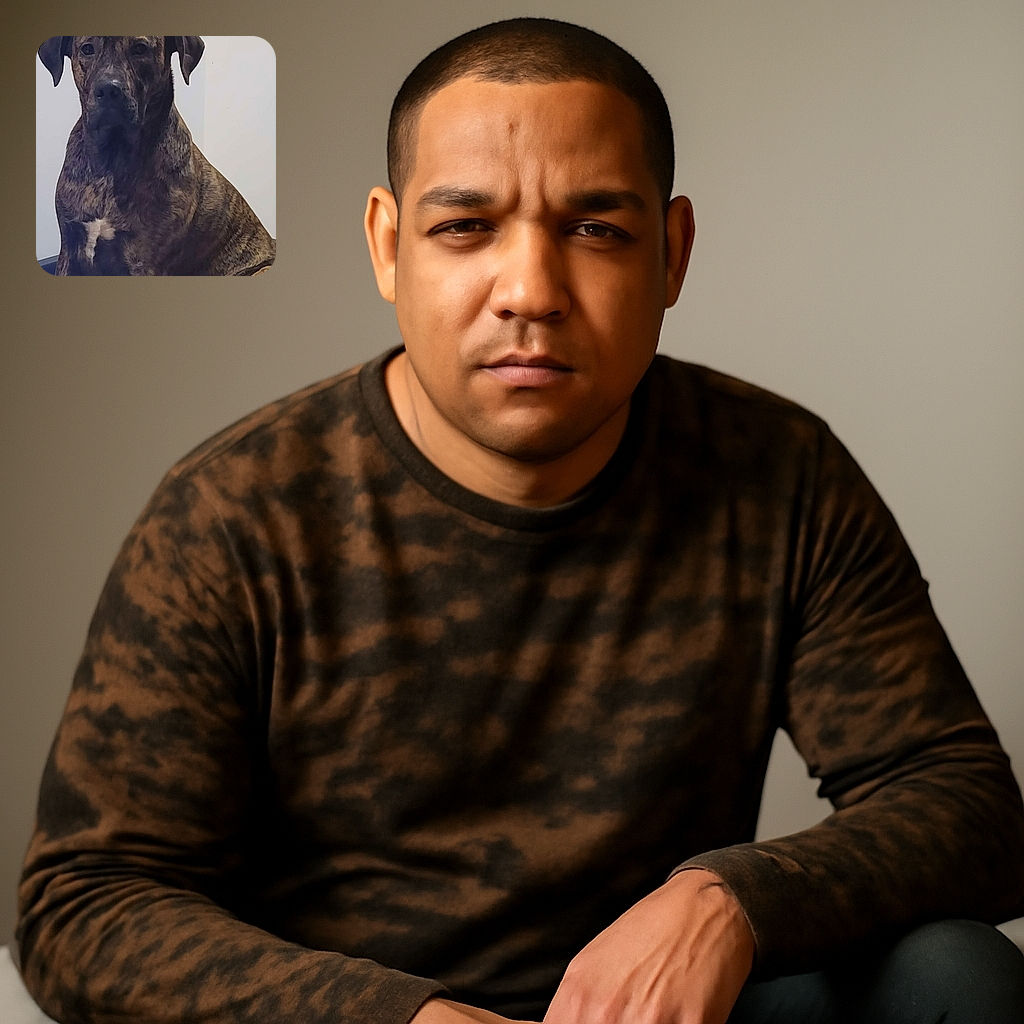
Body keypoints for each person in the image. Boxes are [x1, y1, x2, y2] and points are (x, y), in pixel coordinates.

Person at [16, 17, 1024, 1024]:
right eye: (464, 227)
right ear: (387, 244)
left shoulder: (776, 474)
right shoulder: (232, 512)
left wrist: (728, 897)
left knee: (956, 974)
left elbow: (971, 809)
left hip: (654, 1017)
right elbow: (83, 904)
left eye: (595, 228)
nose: (531, 292)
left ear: (670, 255)